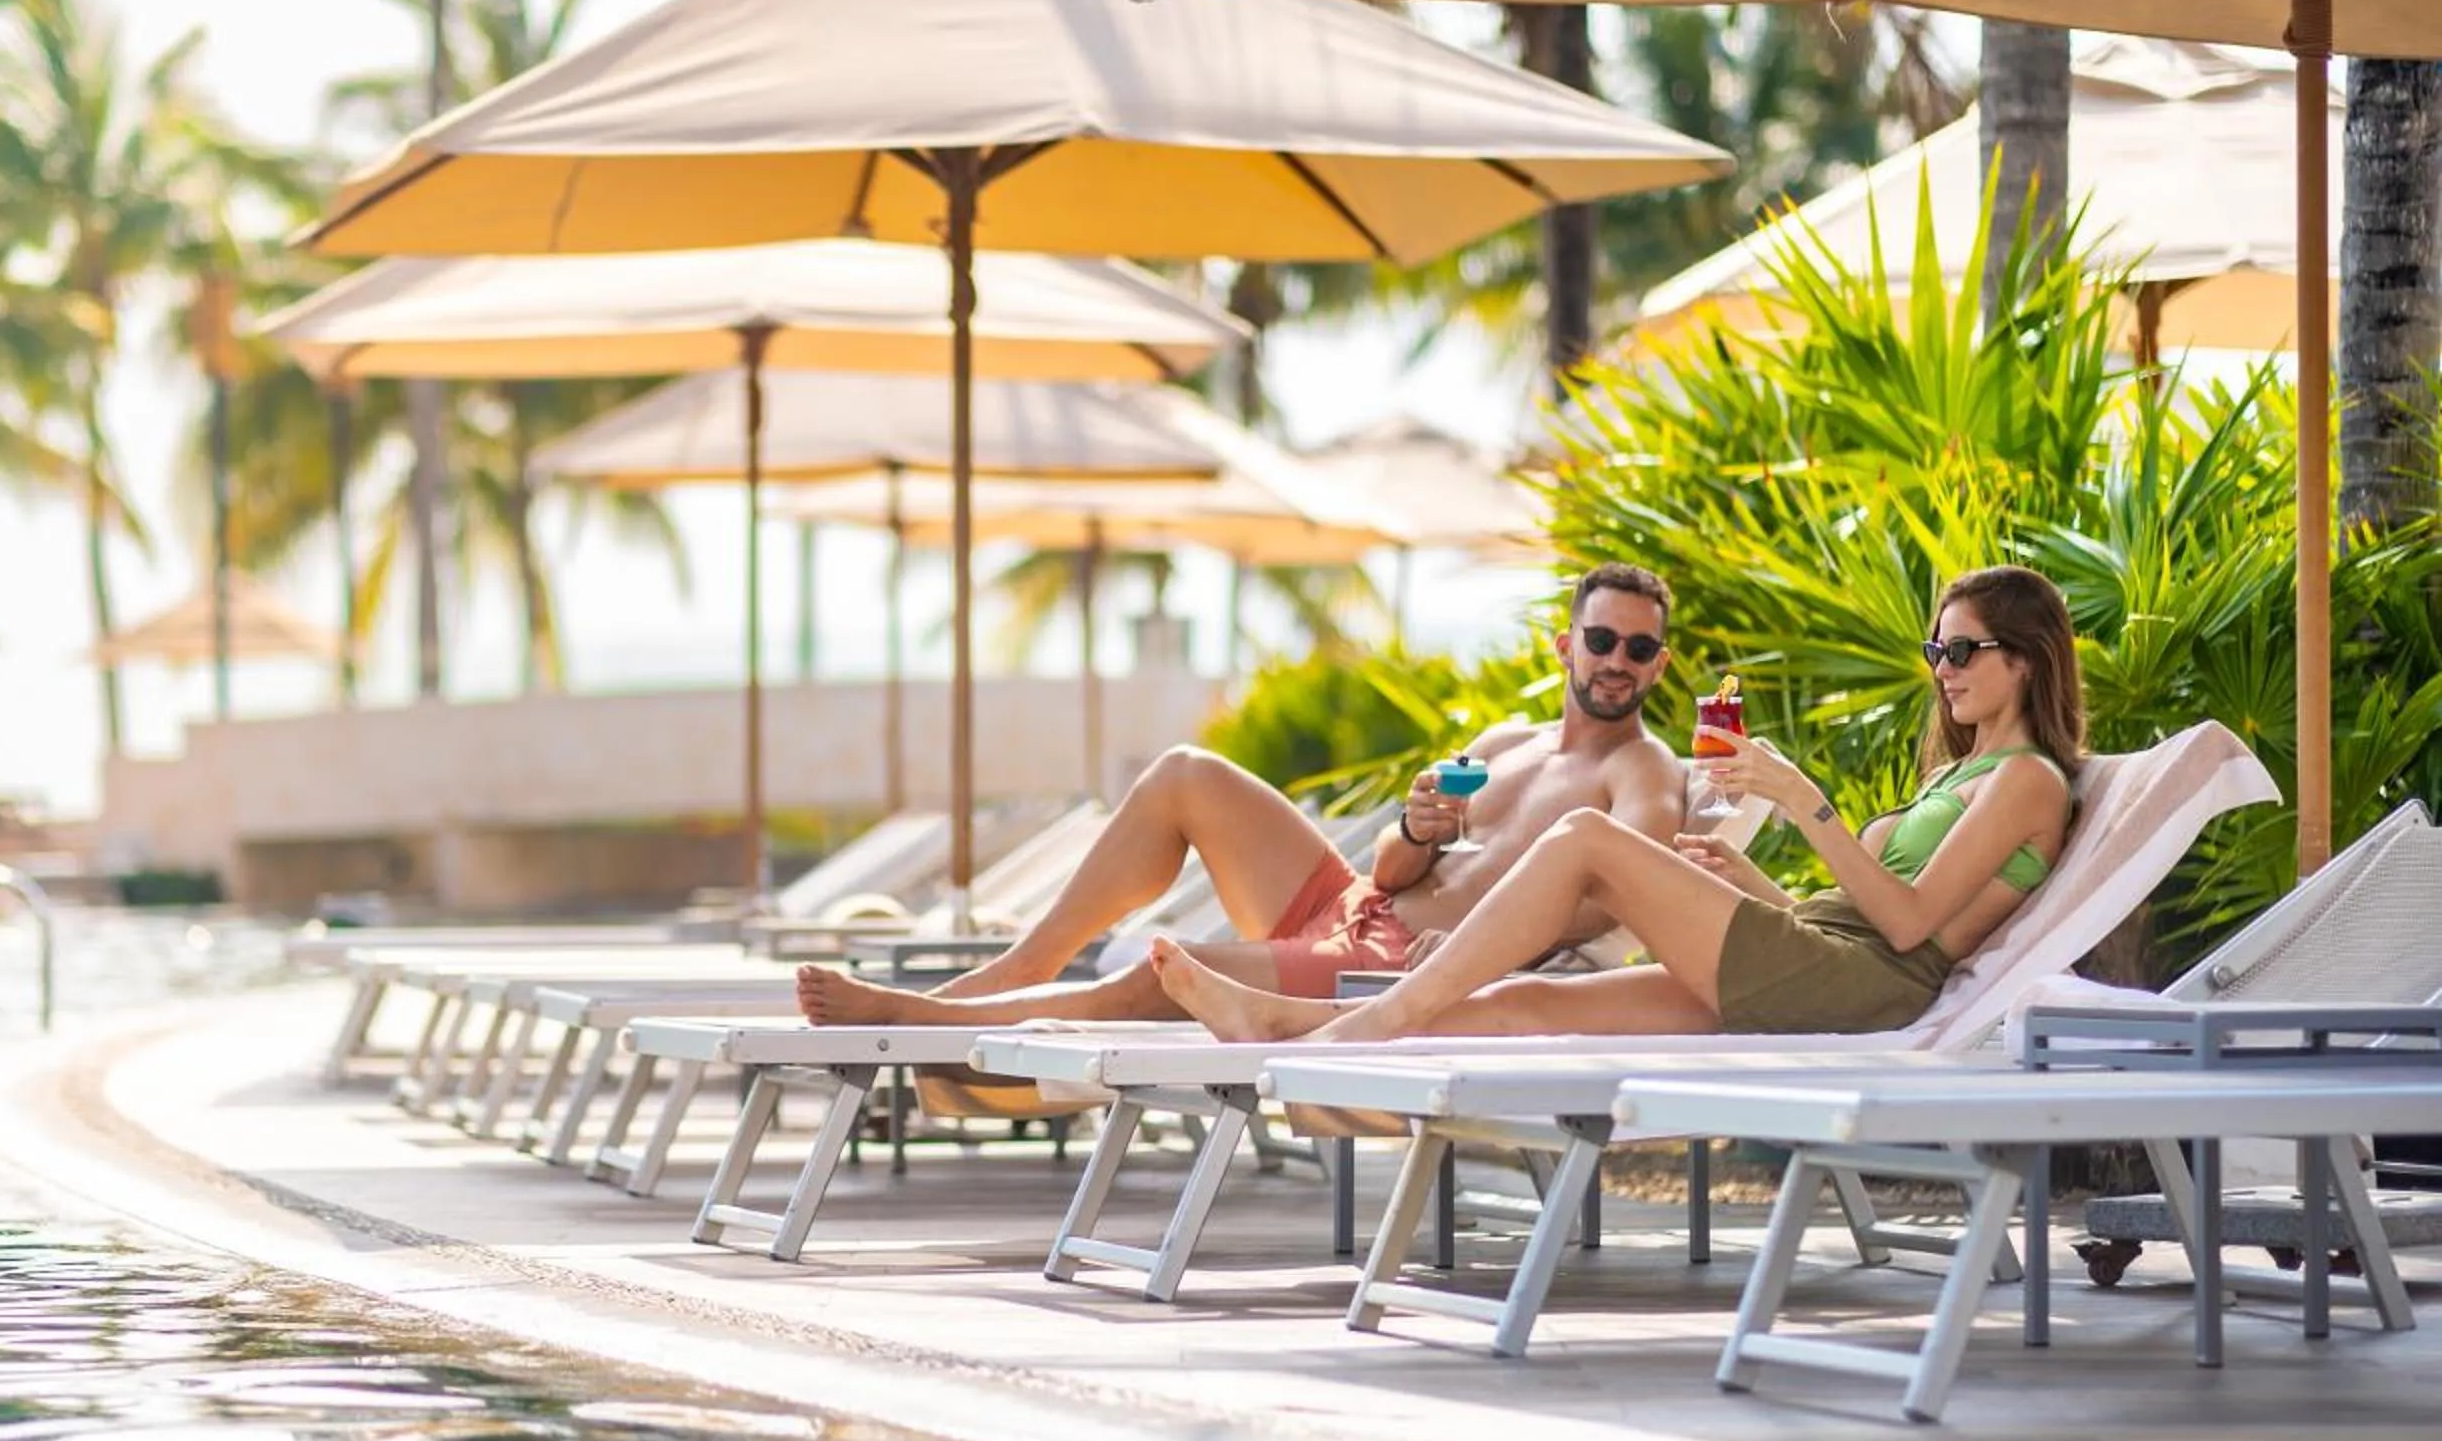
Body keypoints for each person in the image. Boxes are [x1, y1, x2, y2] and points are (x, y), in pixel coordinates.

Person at [1148, 564, 2082, 1046]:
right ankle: (1282, 1023)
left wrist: (1805, 805)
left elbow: (1910, 928)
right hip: (1822, 960)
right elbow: (1860, 915)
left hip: (1864, 987)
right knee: (1525, 1005)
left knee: (1586, 837)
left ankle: (1379, 1021)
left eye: (1961, 654)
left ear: (2023, 659)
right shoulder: (1959, 778)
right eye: (1937, 654)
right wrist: (1755, 884)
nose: (1943, 672)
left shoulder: (2028, 780)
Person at [796, 563, 1694, 1028]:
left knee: (1175, 971)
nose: (1618, 662)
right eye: (1603, 640)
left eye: (1639, 651)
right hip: (1358, 908)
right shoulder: (1504, 744)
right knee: (1188, 772)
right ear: (1564, 646)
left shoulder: (1643, 775)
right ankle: (1024, 968)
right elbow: (1390, 867)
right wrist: (1417, 833)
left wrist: (1472, 954)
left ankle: (926, 1016)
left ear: (1657, 665)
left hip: (1398, 970)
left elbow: (1632, 885)